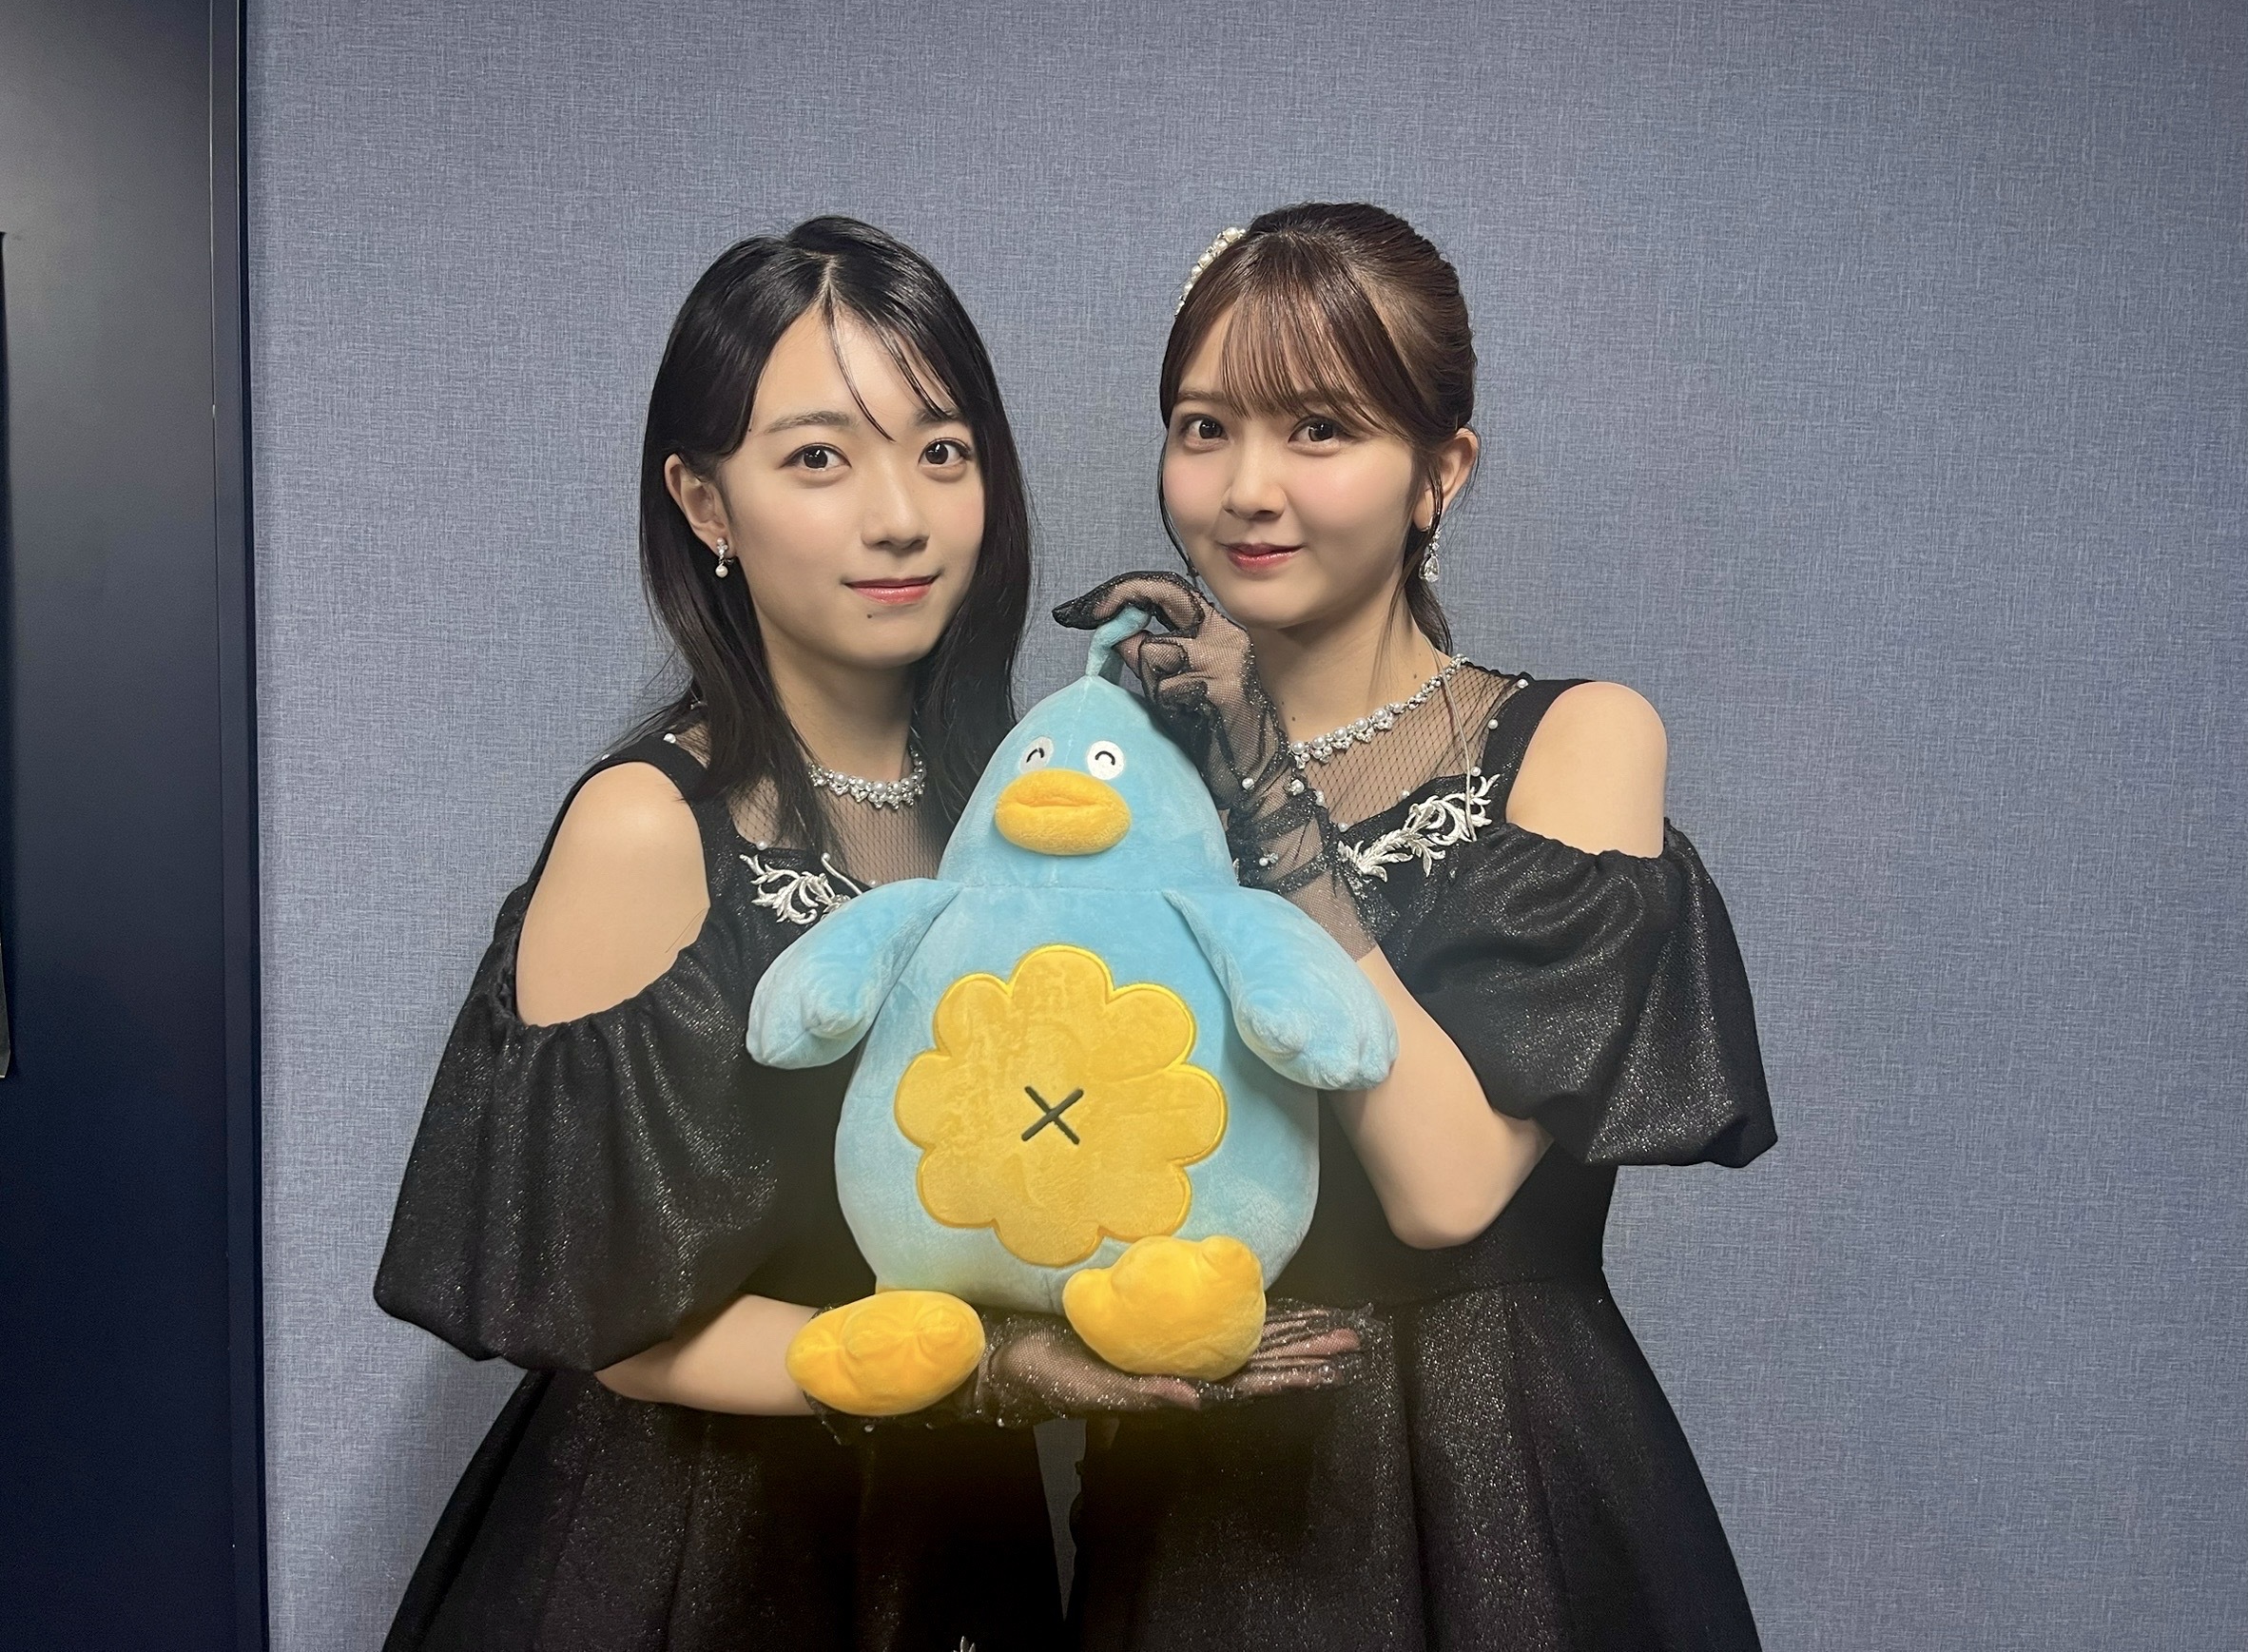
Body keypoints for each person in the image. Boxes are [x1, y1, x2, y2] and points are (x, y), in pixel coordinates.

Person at [1056, 203, 1776, 1650]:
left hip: (1497, 1478)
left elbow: (1446, 1190)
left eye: (1319, 429)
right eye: (1204, 428)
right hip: (1201, 1493)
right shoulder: (1123, 775)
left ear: (1441, 473)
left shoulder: (1578, 740)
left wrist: (1267, 795)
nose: (1248, 488)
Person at [373, 217, 1065, 1651]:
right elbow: (618, 1322)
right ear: (705, 503)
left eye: (942, 450)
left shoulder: (1007, 817)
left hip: (953, 1530)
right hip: (693, 1550)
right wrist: (992, 1367)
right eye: (819, 458)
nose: (900, 515)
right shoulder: (645, 824)